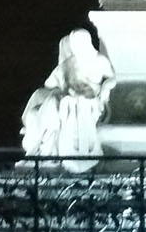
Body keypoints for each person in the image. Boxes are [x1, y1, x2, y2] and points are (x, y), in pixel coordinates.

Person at [21, 28, 115, 172]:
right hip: (69, 99)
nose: (76, 46)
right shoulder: (69, 63)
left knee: (53, 104)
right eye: (74, 43)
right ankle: (42, 148)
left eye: (79, 42)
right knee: (49, 102)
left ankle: (43, 149)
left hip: (89, 101)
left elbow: (112, 78)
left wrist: (105, 88)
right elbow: (50, 84)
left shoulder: (99, 60)